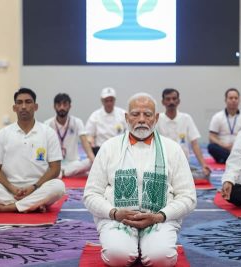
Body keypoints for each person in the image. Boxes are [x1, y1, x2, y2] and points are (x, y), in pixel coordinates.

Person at [83, 93, 196, 266]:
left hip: (159, 219)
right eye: (136, 114)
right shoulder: (108, 148)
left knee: (161, 259)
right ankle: (129, 244)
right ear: (126, 117)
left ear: (156, 118)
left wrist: (159, 216)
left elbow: (188, 197)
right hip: (118, 218)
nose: (141, 119)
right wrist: (114, 213)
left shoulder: (173, 149)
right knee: (117, 257)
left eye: (148, 114)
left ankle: (147, 244)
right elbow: (91, 194)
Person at [0, 88, 65, 213]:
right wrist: (12, 188)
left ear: (36, 106)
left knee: (58, 187)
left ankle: (9, 207)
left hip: (38, 187)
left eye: (28, 102)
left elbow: (55, 168)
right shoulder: (3, 134)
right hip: (9, 190)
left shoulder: (48, 133)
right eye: (19, 103)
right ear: (14, 107)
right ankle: (31, 205)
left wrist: (34, 187)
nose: (23, 106)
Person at [156, 88, 211, 178]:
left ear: (178, 101)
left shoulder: (186, 118)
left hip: (182, 163)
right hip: (163, 164)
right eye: (168, 99)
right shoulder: (157, 119)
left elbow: (195, 144)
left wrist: (203, 165)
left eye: (174, 99)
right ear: (163, 102)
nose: (171, 102)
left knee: (204, 175)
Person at [44, 93, 95, 177]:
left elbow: (85, 143)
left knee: (89, 162)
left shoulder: (77, 122)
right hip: (55, 162)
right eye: (59, 104)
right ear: (54, 106)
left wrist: (95, 162)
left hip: (73, 162)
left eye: (65, 104)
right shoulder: (47, 124)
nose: (62, 107)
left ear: (69, 106)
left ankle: (62, 172)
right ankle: (65, 172)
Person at [208, 88, 241, 163]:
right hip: (223, 148)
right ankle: (235, 159)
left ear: (239, 100)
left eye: (236, 98)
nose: (233, 100)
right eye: (231, 98)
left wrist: (238, 146)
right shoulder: (217, 117)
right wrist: (224, 145)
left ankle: (228, 159)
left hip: (240, 148)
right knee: (211, 147)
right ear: (225, 100)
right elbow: (211, 136)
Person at [85, 87, 126, 155]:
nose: (109, 103)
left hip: (119, 150)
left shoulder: (123, 114)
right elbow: (89, 136)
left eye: (111, 100)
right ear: (102, 101)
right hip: (101, 150)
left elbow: (130, 132)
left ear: (114, 100)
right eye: (106, 100)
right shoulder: (95, 116)